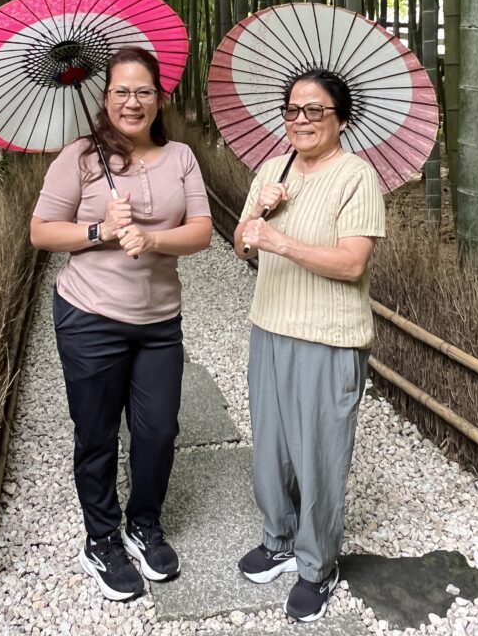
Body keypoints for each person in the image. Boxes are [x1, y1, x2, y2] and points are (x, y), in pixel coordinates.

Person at [31, 46, 212, 602]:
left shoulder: (180, 155)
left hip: (160, 320)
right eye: (121, 92)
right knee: (98, 432)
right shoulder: (81, 158)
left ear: (161, 99)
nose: (133, 102)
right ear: (104, 98)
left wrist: (153, 238)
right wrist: (99, 231)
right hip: (90, 317)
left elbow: (202, 230)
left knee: (159, 431)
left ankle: (144, 524)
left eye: (143, 92)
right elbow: (41, 232)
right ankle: (102, 538)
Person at [234, 69, 385, 623]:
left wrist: (279, 239)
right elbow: (242, 246)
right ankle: (277, 539)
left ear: (340, 118)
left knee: (318, 455)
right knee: (271, 447)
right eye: (292, 110)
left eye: (314, 110)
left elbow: (351, 264)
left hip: (328, 337)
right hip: (268, 325)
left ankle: (318, 565)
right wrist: (257, 218)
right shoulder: (271, 170)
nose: (301, 120)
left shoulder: (355, 177)